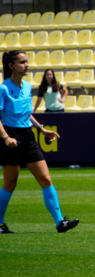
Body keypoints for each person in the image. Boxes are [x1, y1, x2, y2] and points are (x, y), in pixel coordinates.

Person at [0, 50, 77, 235]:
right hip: (10, 136)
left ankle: (60, 222)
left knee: (46, 178)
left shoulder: (27, 87)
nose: (26, 65)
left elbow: (27, 114)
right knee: (10, 183)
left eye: (26, 61)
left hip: (28, 136)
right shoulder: (3, 88)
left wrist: (41, 128)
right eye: (22, 62)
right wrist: (5, 137)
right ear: (11, 65)